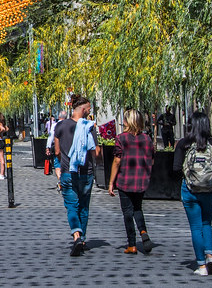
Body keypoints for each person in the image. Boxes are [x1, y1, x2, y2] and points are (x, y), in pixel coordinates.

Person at [174, 112, 212, 276]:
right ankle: (210, 257)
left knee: (195, 227)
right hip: (209, 190)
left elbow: (175, 168)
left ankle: (202, 265)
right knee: (207, 223)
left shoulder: (184, 144)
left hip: (190, 189)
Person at [53, 94, 100, 257]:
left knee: (72, 206)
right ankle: (83, 238)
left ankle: (76, 236)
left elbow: (57, 151)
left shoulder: (60, 126)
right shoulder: (89, 126)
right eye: (88, 108)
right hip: (86, 173)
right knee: (84, 206)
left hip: (68, 172)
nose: (89, 111)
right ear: (82, 108)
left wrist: (64, 160)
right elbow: (96, 152)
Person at [108, 108, 155, 255]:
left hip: (125, 180)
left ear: (127, 121)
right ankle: (143, 232)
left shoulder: (121, 138)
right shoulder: (147, 139)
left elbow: (117, 160)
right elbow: (151, 160)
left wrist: (111, 182)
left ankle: (132, 244)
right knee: (137, 208)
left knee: (127, 211)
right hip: (141, 180)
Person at [46, 109, 69, 186]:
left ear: (59, 117)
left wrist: (48, 147)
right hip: (67, 147)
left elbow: (51, 136)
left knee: (57, 164)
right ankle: (64, 180)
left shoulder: (55, 125)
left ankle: (60, 180)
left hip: (57, 146)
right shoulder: (69, 124)